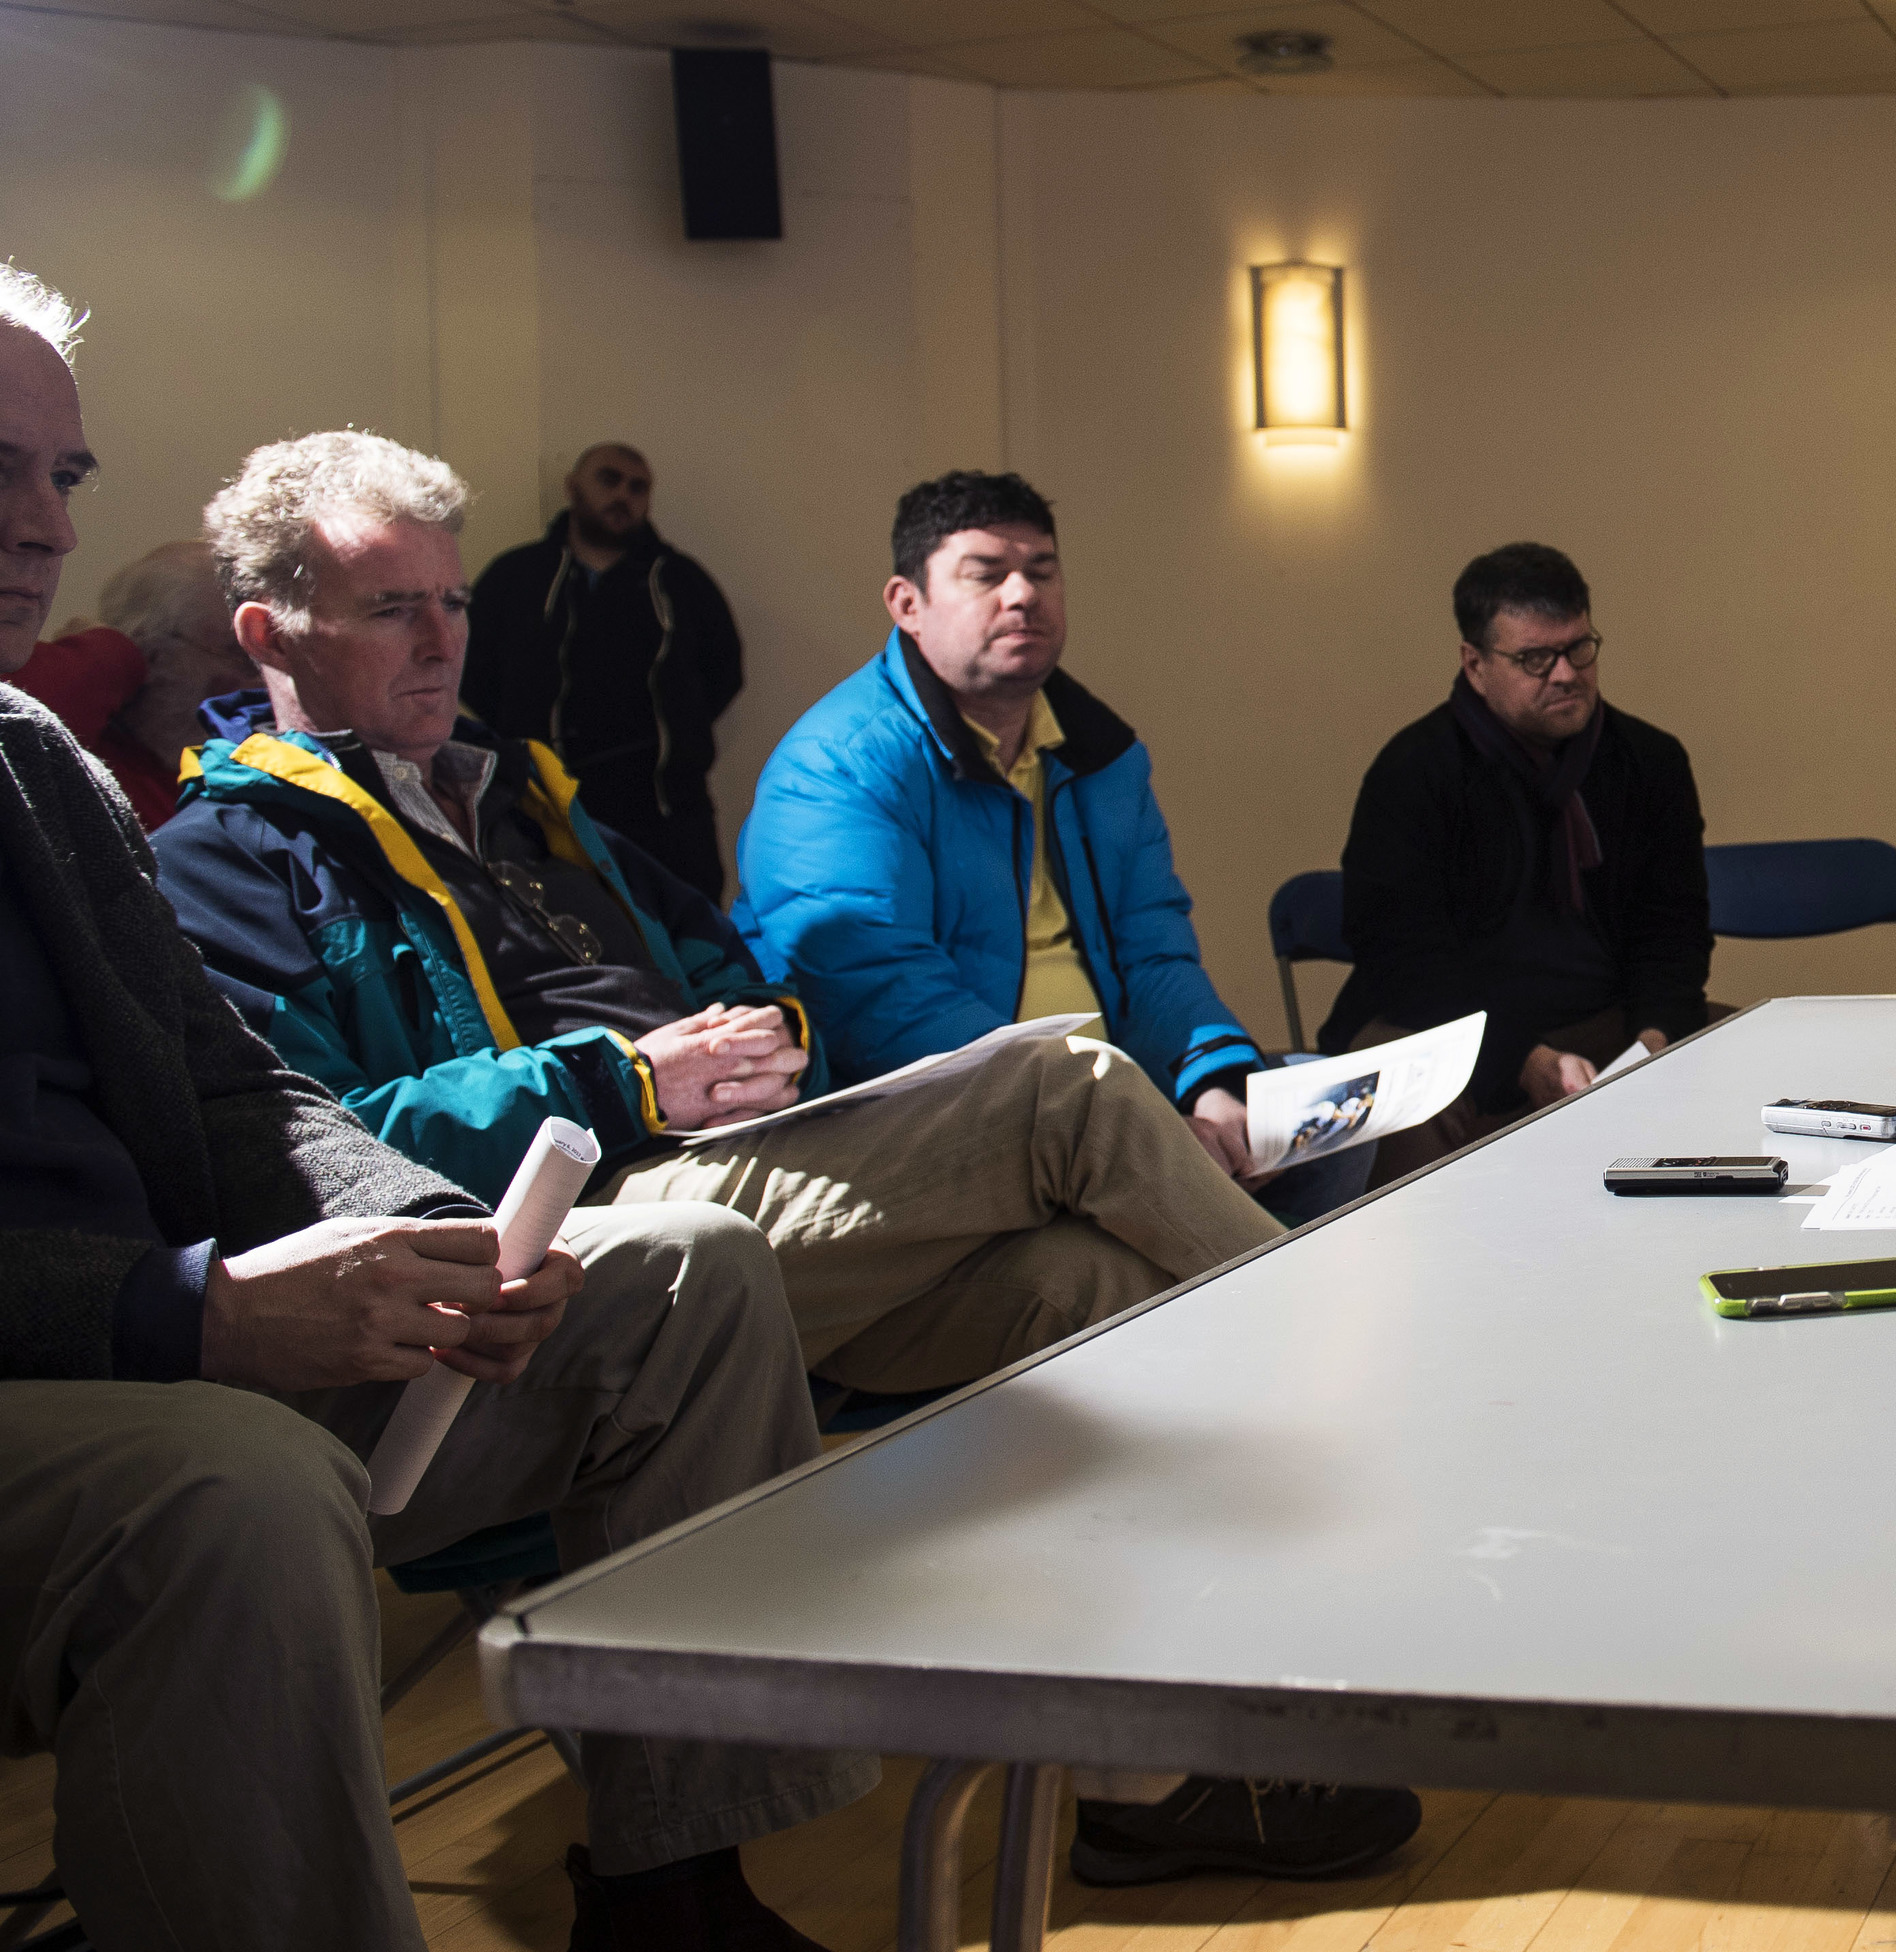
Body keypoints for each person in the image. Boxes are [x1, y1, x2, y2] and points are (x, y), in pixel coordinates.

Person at [151, 430, 1423, 1888]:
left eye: (452, 603)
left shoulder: (524, 802)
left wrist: (769, 1035)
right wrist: (628, 1075)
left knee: (1086, 1280)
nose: (442, 640)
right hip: (557, 1238)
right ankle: (1394, 1453)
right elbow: (305, 1141)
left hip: (745, 1172)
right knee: (1062, 1083)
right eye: (394, 610)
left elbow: (749, 960)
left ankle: (1151, 1786)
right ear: (270, 633)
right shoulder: (221, 858)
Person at [0, 267, 882, 1948]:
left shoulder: (39, 758)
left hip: (218, 1322)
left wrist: (419, 1231)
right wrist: (182, 1305)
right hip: (112, 1365)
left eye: (64, 477)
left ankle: (676, 1889)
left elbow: (237, 1090)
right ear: (274, 640)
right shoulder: (222, 831)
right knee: (226, 1492)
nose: (40, 523)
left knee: (686, 1272)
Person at [734, 471, 1375, 1233]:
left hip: (1106, 1092)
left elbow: (1154, 957)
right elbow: (882, 1001)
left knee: (1320, 1106)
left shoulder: (1102, 758)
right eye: (985, 575)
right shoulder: (838, 765)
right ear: (907, 604)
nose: (1021, 595)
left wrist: (1212, 1085)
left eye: (1041, 572)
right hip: (951, 1113)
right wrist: (1114, 1114)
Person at [1320, 542, 1714, 1179]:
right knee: (1409, 1105)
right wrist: (1522, 1059)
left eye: (1579, 648)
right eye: (1535, 658)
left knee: (1739, 1051)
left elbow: (1673, 932)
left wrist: (1656, 1039)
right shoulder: (1415, 772)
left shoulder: (1649, 762)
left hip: (1604, 1019)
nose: (1565, 674)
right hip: (1444, 1026)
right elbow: (1407, 964)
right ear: (1474, 664)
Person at [462, 440, 744, 900]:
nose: (623, 496)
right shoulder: (518, 577)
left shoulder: (681, 582)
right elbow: (472, 668)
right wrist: (519, 729)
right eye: (608, 479)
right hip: (545, 815)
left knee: (690, 958)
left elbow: (723, 671)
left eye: (638, 487)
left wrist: (676, 732)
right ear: (574, 487)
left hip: (667, 816)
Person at [3, 536, 255, 825]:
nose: (262, 683)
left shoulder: (229, 769)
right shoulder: (85, 759)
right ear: (154, 655)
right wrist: (110, 651)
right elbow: (12, 721)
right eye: (240, 657)